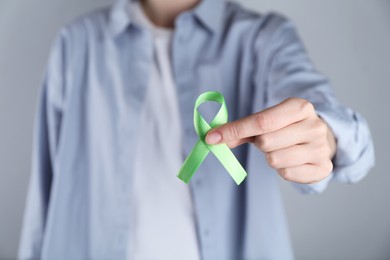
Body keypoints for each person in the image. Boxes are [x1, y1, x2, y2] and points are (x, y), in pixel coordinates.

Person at [18, 0, 375, 259]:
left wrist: (323, 136)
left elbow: (316, 105)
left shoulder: (264, 38)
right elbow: (46, 188)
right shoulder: (77, 43)